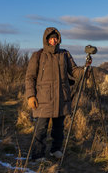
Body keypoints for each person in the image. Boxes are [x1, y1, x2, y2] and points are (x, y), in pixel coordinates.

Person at [25, 27, 84, 160]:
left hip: (62, 98)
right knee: (41, 129)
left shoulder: (65, 54)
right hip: (43, 98)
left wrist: (84, 70)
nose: (54, 40)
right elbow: (30, 77)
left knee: (59, 128)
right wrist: (31, 96)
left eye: (56, 38)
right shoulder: (38, 55)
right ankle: (38, 154)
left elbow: (74, 71)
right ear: (46, 40)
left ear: (59, 39)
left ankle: (56, 150)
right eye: (51, 38)